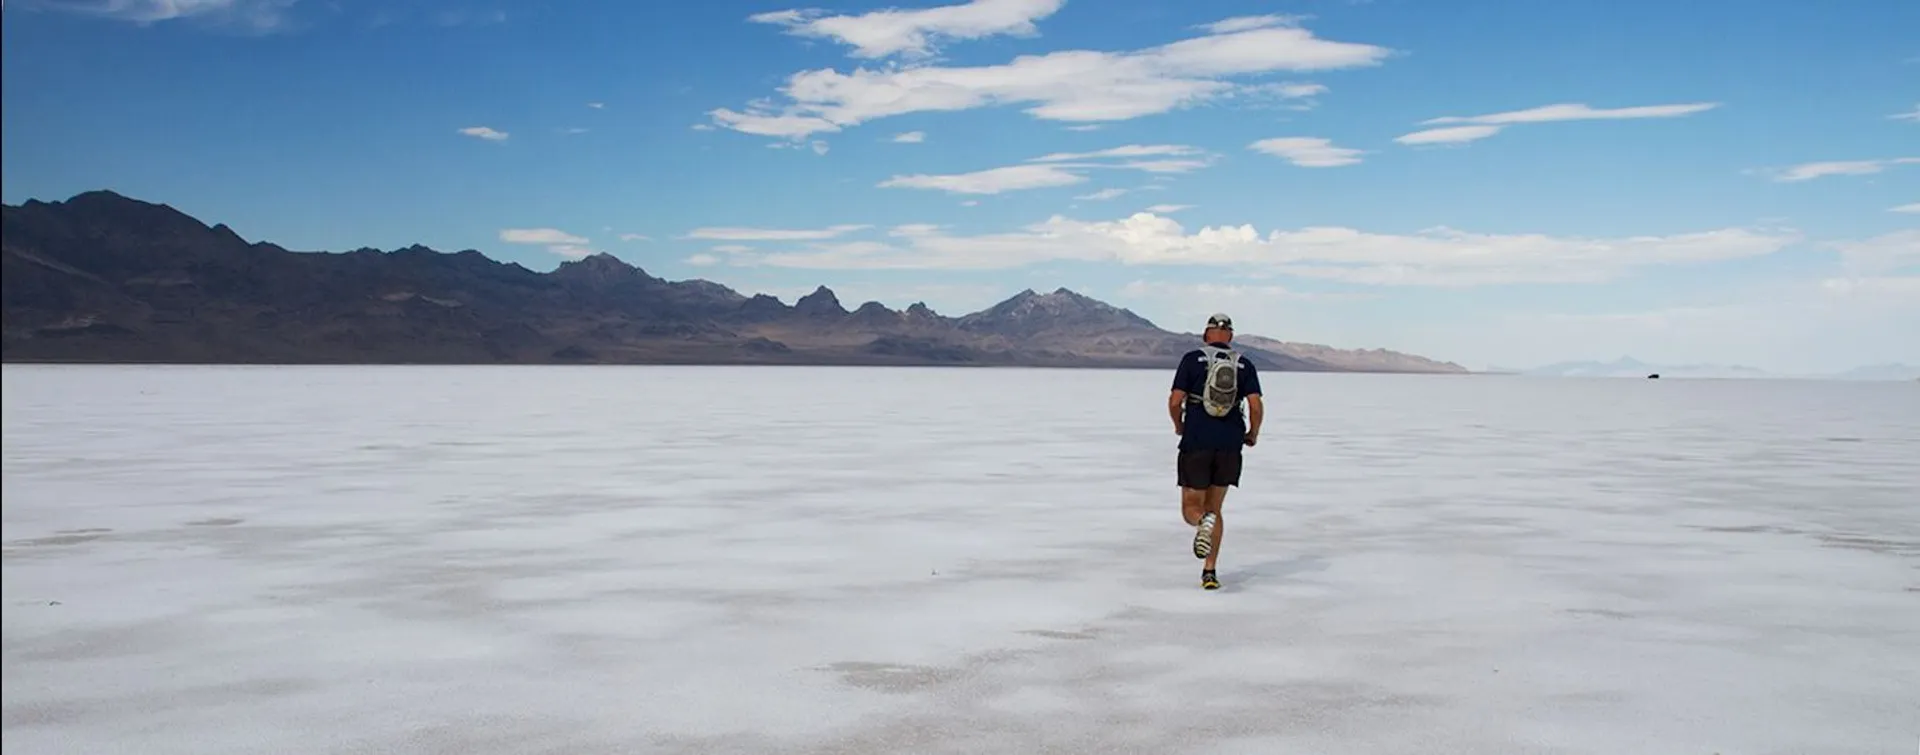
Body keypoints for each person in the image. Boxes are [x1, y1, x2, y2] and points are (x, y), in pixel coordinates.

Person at [1167, 312, 1263, 590]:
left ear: (1206, 334)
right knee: (1216, 507)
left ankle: (1201, 522)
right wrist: (1252, 434)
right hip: (1230, 445)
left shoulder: (1191, 359)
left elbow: (1175, 401)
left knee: (1191, 508)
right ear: (1230, 337)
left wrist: (1179, 425)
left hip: (1197, 440)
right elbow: (1255, 406)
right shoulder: (1244, 364)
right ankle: (1210, 571)